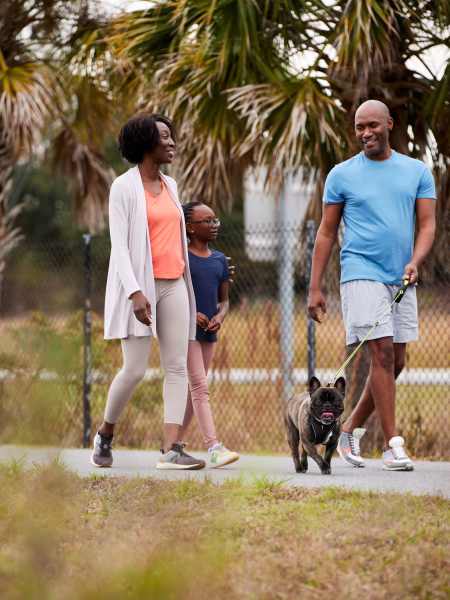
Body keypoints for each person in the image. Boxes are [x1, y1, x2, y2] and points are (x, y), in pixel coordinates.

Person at [307, 99, 436, 471]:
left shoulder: (416, 172)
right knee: (379, 354)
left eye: (373, 126)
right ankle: (393, 445)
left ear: (389, 124)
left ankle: (350, 429)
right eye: (359, 127)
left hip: (401, 276)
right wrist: (315, 287)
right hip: (359, 271)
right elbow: (327, 232)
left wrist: (416, 260)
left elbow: (427, 225)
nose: (365, 133)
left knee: (395, 361)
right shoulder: (342, 174)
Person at [91, 113, 205, 470]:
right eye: (164, 137)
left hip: (174, 284)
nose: (171, 142)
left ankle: (171, 449)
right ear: (145, 143)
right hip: (140, 286)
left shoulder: (171, 186)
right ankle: (105, 434)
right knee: (135, 369)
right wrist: (135, 292)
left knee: (176, 367)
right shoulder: (123, 188)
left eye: (172, 136)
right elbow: (121, 247)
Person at [178, 201, 240, 467]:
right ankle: (213, 446)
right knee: (200, 387)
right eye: (207, 221)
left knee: (195, 389)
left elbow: (224, 300)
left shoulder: (219, 260)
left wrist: (220, 316)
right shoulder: (181, 258)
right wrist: (192, 314)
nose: (214, 225)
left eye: (215, 220)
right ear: (190, 227)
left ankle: (173, 444)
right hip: (186, 330)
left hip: (209, 332)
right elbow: (173, 294)